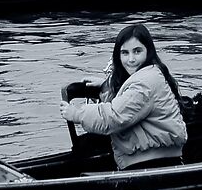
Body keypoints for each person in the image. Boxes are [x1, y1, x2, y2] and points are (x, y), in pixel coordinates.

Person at [62, 23, 188, 170]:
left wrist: (76, 114)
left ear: (148, 52)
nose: (131, 59)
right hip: (155, 159)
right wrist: (105, 86)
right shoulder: (149, 75)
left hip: (153, 164)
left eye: (137, 51)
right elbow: (127, 101)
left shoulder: (145, 83)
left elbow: (114, 116)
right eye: (125, 53)